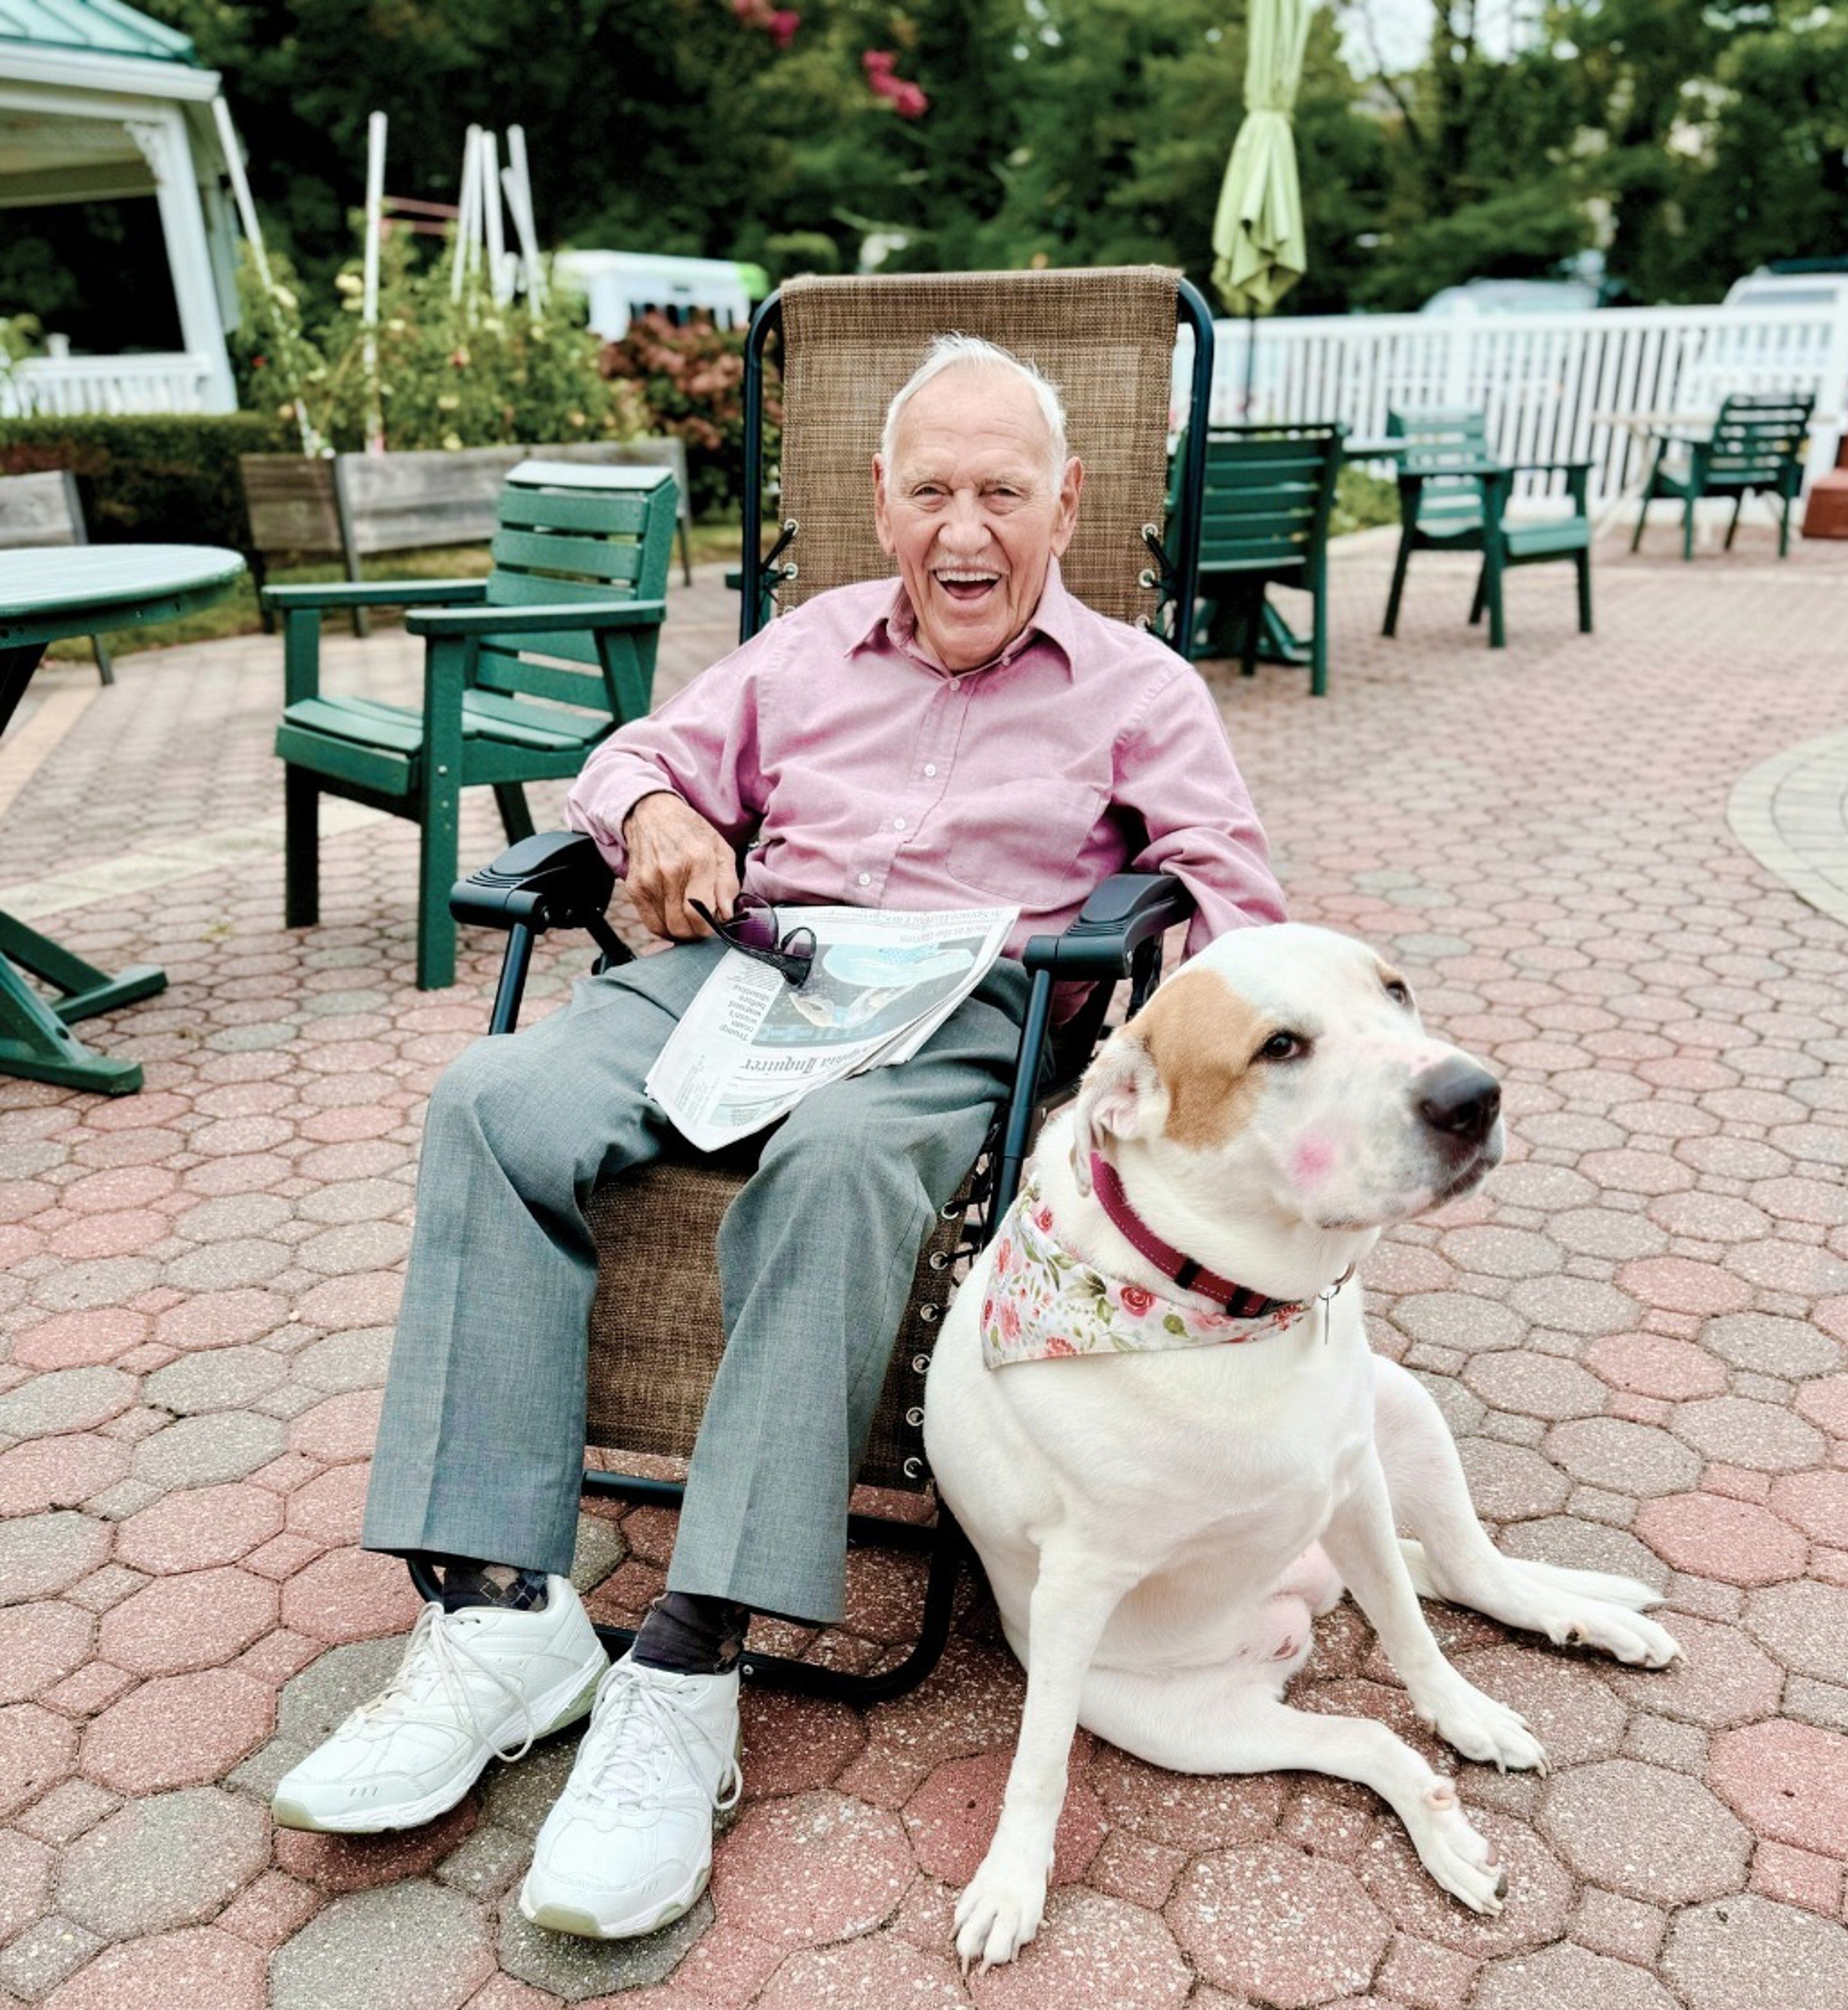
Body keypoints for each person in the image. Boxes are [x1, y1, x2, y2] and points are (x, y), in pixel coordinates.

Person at [272, 334, 1290, 1939]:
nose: (968, 529)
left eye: (1004, 492)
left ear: (1069, 505)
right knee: (494, 1100)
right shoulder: (804, 646)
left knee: (836, 1164)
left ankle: (688, 1667)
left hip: (964, 1009)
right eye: (934, 489)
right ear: (880, 503)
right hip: (742, 974)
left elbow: (1230, 893)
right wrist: (664, 818)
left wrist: (1210, 1040)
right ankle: (501, 1620)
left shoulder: (1139, 689)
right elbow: (635, 761)